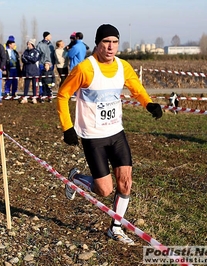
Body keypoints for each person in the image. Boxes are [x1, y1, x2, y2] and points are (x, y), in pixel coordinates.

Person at [57, 24, 163, 245]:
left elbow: (137, 88)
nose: (111, 46)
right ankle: (75, 178)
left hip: (116, 132)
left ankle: (115, 228)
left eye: (114, 42)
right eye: (106, 42)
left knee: (125, 183)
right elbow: (62, 94)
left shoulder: (123, 67)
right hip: (93, 136)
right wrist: (67, 128)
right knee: (104, 190)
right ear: (97, 43)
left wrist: (149, 105)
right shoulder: (85, 69)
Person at [21, 39, 40, 104]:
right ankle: (25, 97)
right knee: (26, 85)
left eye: (29, 44)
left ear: (32, 44)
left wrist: (27, 57)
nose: (28, 45)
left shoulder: (36, 51)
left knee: (34, 85)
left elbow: (34, 59)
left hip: (34, 71)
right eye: (27, 44)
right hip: (27, 71)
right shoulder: (25, 51)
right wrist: (28, 59)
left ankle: (34, 97)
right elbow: (23, 59)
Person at [36, 31, 55, 96]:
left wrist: (53, 63)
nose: (51, 37)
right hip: (42, 64)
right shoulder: (40, 45)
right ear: (46, 37)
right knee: (42, 80)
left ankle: (49, 93)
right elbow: (37, 54)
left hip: (50, 64)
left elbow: (53, 55)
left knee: (49, 80)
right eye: (50, 35)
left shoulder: (51, 45)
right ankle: (42, 93)